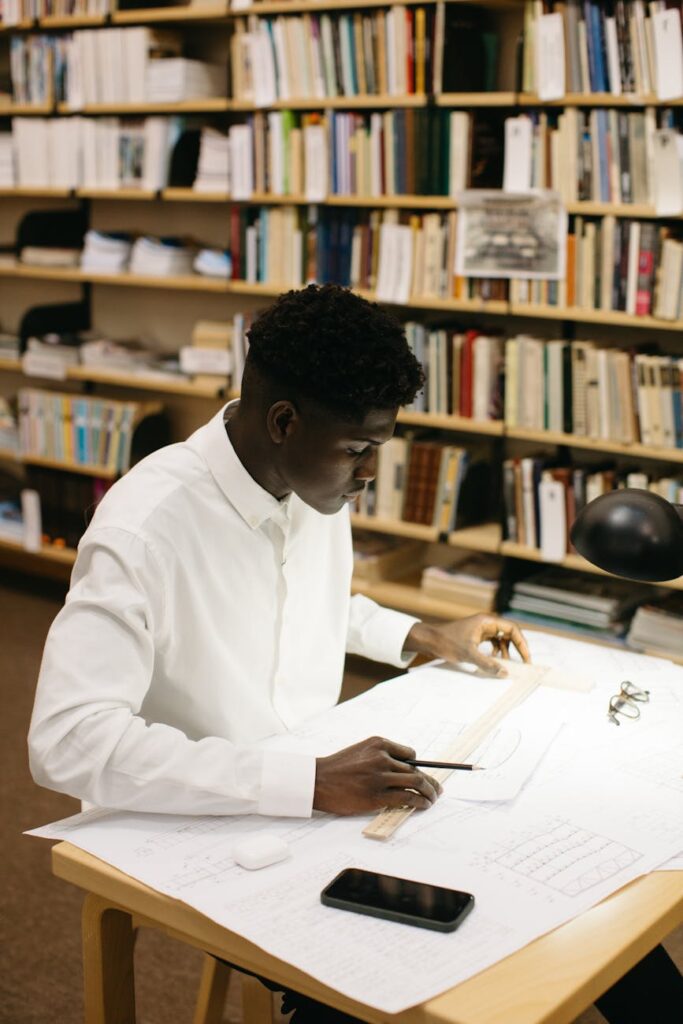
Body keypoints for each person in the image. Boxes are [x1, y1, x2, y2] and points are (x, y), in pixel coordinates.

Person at [28, 284, 680, 1023]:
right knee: (404, 983)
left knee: (583, 909)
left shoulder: (307, 480)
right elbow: (69, 741)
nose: (370, 472)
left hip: (316, 788)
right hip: (202, 820)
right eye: (359, 450)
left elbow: (296, 603)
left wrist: (419, 634)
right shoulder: (144, 527)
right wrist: (305, 781)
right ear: (284, 422)